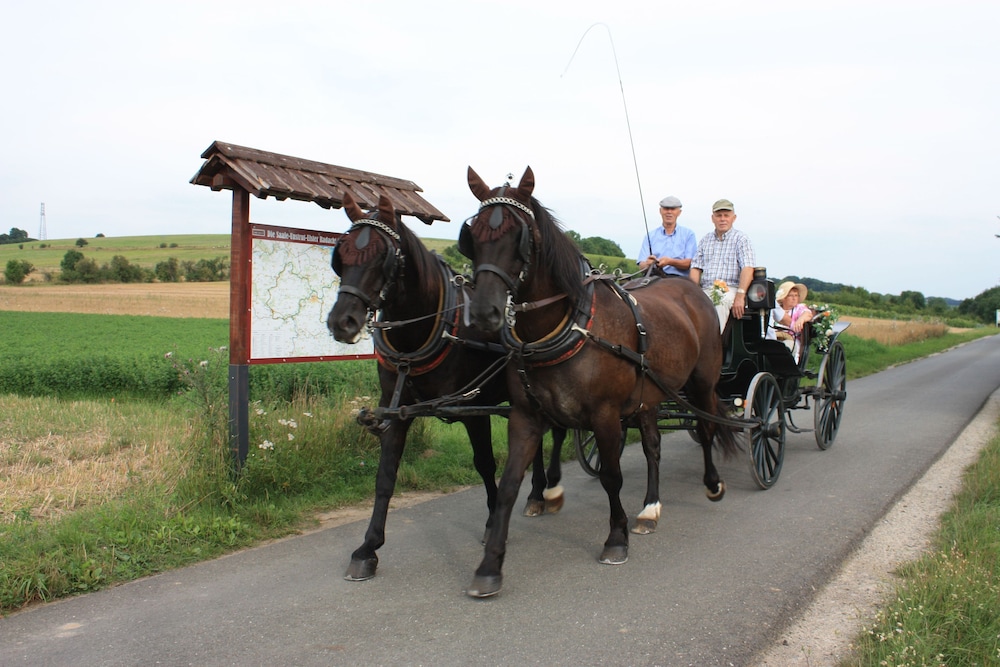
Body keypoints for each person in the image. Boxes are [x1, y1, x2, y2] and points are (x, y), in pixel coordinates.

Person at [689, 199, 756, 330]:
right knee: (685, 303)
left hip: (730, 288)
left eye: (726, 215)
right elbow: (696, 268)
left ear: (733, 218)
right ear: (712, 218)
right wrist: (693, 290)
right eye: (719, 216)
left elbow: (748, 269)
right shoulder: (705, 240)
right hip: (705, 288)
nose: (722, 219)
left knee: (719, 300)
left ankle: (711, 342)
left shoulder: (741, 239)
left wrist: (740, 296)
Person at [636, 196, 697, 278]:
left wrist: (670, 262)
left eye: (673, 209)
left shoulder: (688, 234)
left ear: (679, 212)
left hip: (679, 280)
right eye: (666, 209)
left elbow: (690, 263)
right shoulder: (650, 236)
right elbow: (641, 265)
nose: (669, 212)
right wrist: (648, 263)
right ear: (660, 211)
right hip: (654, 279)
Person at [767, 281, 813, 360]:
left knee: (785, 348)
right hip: (774, 339)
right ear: (783, 298)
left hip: (792, 339)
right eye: (791, 295)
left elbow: (808, 314)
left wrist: (801, 319)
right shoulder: (776, 308)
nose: (794, 298)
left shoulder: (799, 308)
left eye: (796, 295)